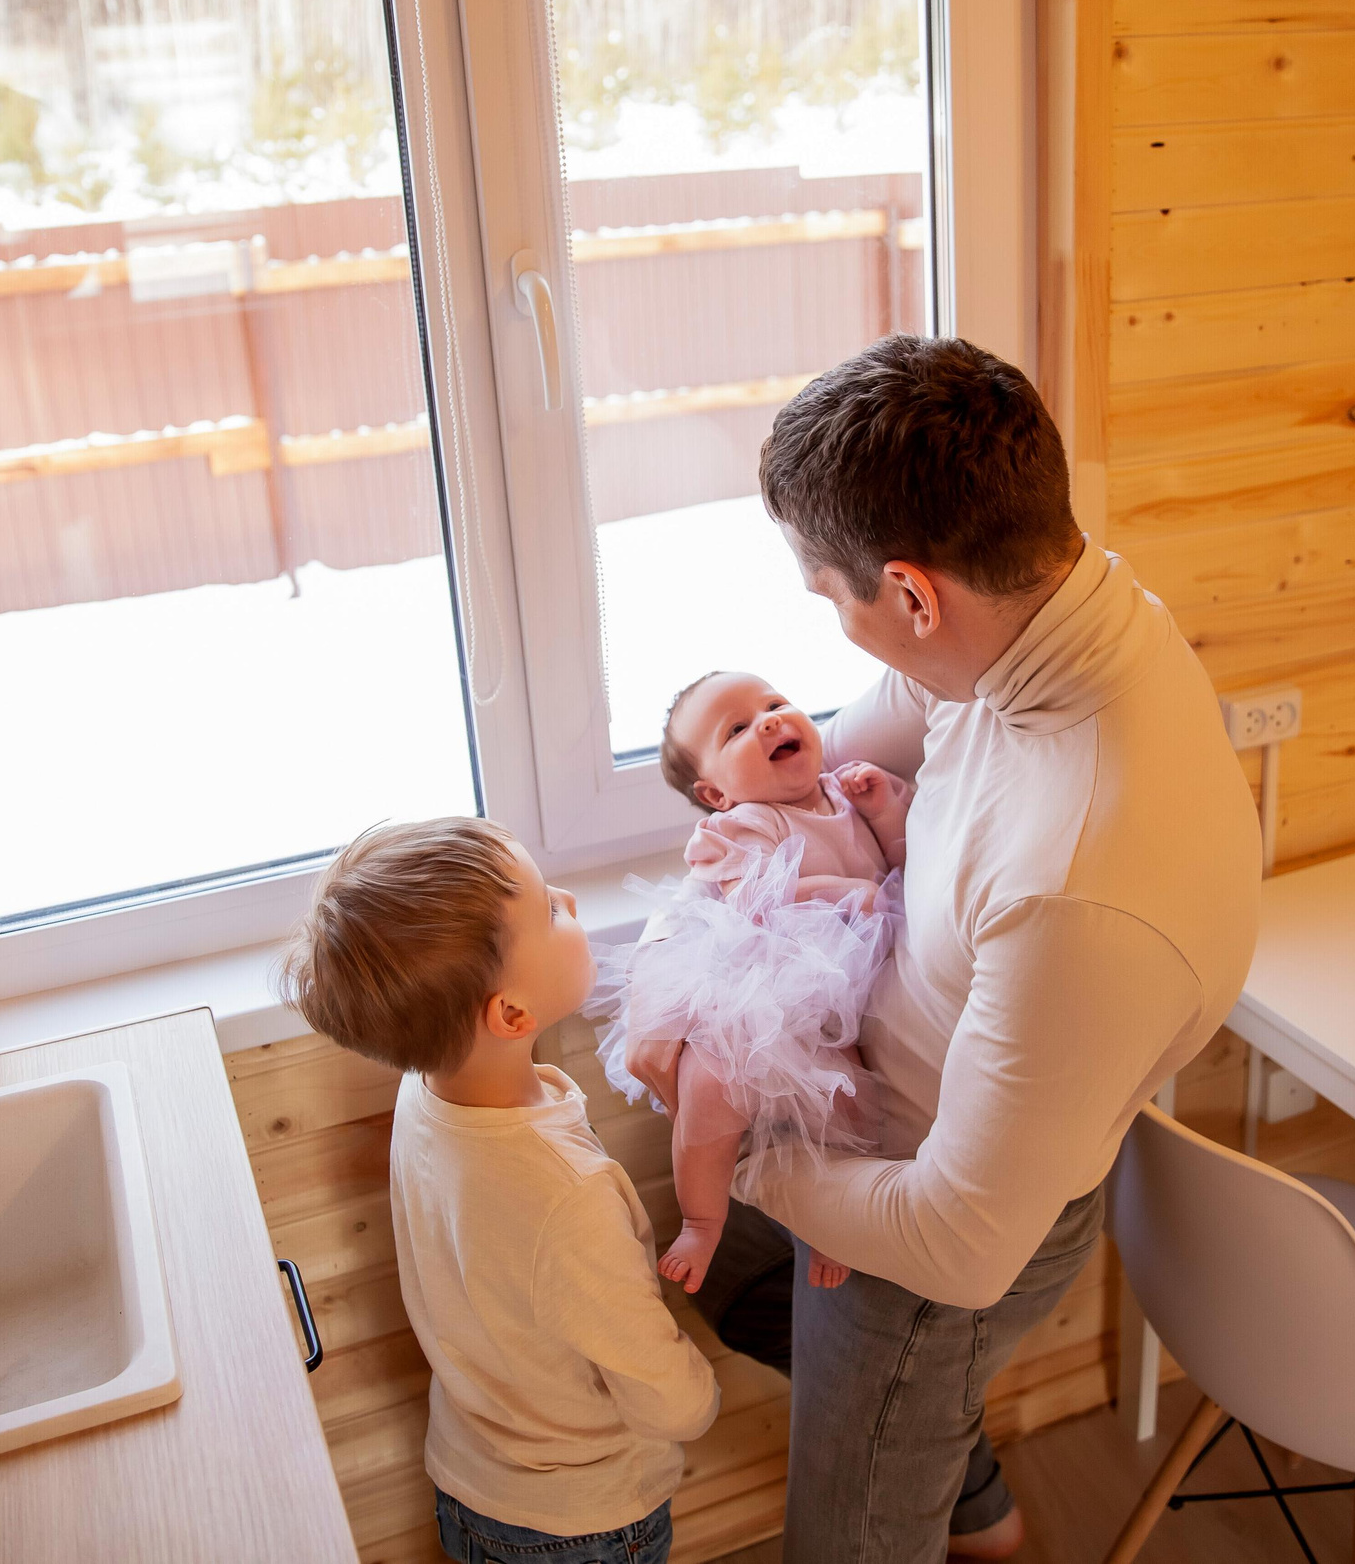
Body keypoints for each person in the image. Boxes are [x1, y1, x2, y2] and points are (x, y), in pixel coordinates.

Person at [643, 335, 1262, 1563]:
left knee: (848, 1535)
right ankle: (956, 1482)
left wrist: (755, 1154)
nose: (839, 631)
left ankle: (922, 1461)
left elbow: (960, 1243)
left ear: (914, 597)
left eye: (832, 598)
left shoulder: (1075, 885)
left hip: (934, 1236)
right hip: (898, 1135)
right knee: (735, 1283)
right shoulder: (1036, 613)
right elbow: (838, 756)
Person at [285, 817, 720, 1564]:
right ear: (512, 1014)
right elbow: (660, 1388)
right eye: (548, 909)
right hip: (581, 1523)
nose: (569, 900)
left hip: (472, 1477)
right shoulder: (567, 1197)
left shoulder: (425, 1092)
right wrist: (700, 1395)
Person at [589, 670, 911, 1295]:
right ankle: (701, 1222)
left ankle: (830, 1226)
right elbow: (757, 904)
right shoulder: (745, 824)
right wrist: (848, 892)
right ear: (716, 793)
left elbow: (908, 861)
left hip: (836, 1005)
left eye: (775, 703)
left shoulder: (846, 791)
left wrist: (884, 808)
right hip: (754, 994)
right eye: (737, 729)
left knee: (853, 1108)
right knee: (709, 1090)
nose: (769, 720)